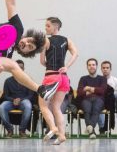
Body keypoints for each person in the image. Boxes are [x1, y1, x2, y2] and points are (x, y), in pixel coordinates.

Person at [39, 17, 78, 145]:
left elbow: (42, 62)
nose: (46, 28)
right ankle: (61, 135)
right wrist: (67, 66)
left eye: (48, 26)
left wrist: (48, 64)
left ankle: (53, 128)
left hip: (51, 76)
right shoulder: (67, 40)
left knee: (43, 106)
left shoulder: (46, 40)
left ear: (56, 27)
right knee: (56, 107)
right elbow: (76, 53)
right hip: (64, 78)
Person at [0, 59, 34, 138]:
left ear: (23, 69)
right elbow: (5, 95)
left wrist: (20, 100)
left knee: (28, 105)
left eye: (21, 67)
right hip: (11, 102)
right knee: (2, 107)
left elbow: (31, 95)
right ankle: (9, 130)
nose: (19, 69)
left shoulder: (28, 79)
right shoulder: (8, 81)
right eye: (17, 67)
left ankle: (22, 130)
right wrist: (13, 100)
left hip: (24, 101)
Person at [77, 58, 107, 139]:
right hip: (86, 99)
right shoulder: (83, 79)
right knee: (87, 111)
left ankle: (90, 128)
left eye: (93, 65)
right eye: (89, 65)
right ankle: (92, 131)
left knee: (96, 110)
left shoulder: (102, 78)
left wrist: (89, 88)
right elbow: (79, 92)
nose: (91, 66)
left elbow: (102, 91)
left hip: (99, 100)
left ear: (96, 66)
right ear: (87, 67)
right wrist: (95, 90)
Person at [98, 61, 117, 135]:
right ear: (101, 69)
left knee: (112, 96)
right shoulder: (98, 80)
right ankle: (103, 127)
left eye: (107, 68)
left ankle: (105, 128)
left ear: (110, 69)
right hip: (102, 102)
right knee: (99, 104)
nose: (105, 69)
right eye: (103, 68)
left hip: (112, 102)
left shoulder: (116, 81)